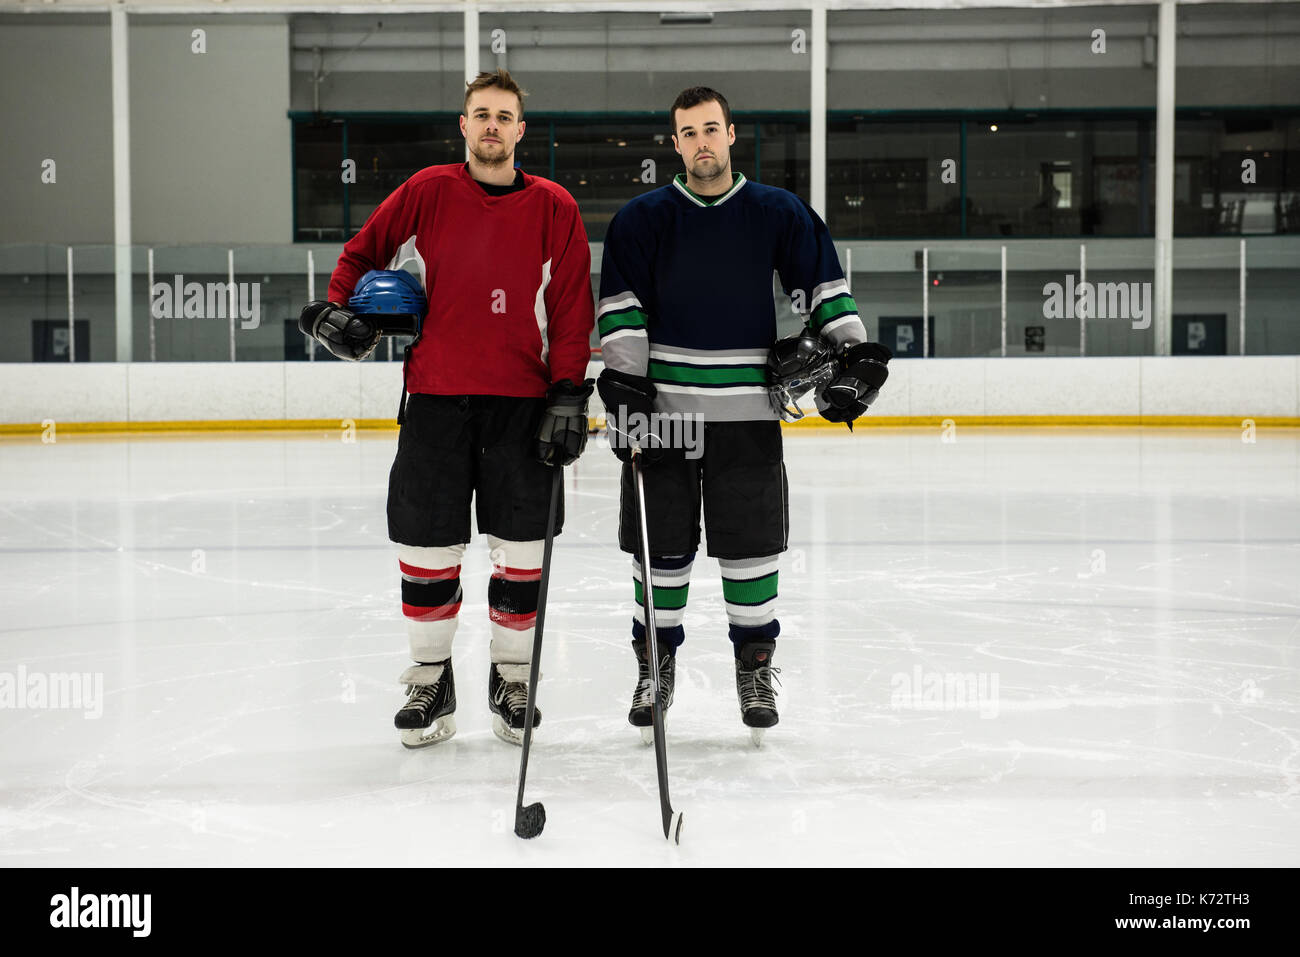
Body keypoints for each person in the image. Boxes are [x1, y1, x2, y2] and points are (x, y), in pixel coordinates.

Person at [298, 70, 595, 749]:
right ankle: (431, 681)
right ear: (463, 125)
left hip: (523, 406)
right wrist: (331, 310)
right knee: (427, 549)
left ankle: (512, 680)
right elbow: (360, 252)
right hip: (435, 400)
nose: (491, 125)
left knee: (523, 552)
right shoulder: (427, 191)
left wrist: (571, 390)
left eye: (504, 116)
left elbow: (572, 308)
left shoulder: (555, 207)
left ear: (522, 130)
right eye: (480, 114)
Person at [596, 86, 889, 740]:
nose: (701, 142)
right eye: (688, 132)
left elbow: (824, 291)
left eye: (711, 129)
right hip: (662, 416)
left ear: (732, 134)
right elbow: (621, 312)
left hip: (750, 414)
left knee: (752, 549)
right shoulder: (642, 219)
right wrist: (625, 389)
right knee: (660, 551)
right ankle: (656, 665)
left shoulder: (777, 213)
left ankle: (754, 667)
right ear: (674, 144)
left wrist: (855, 355)